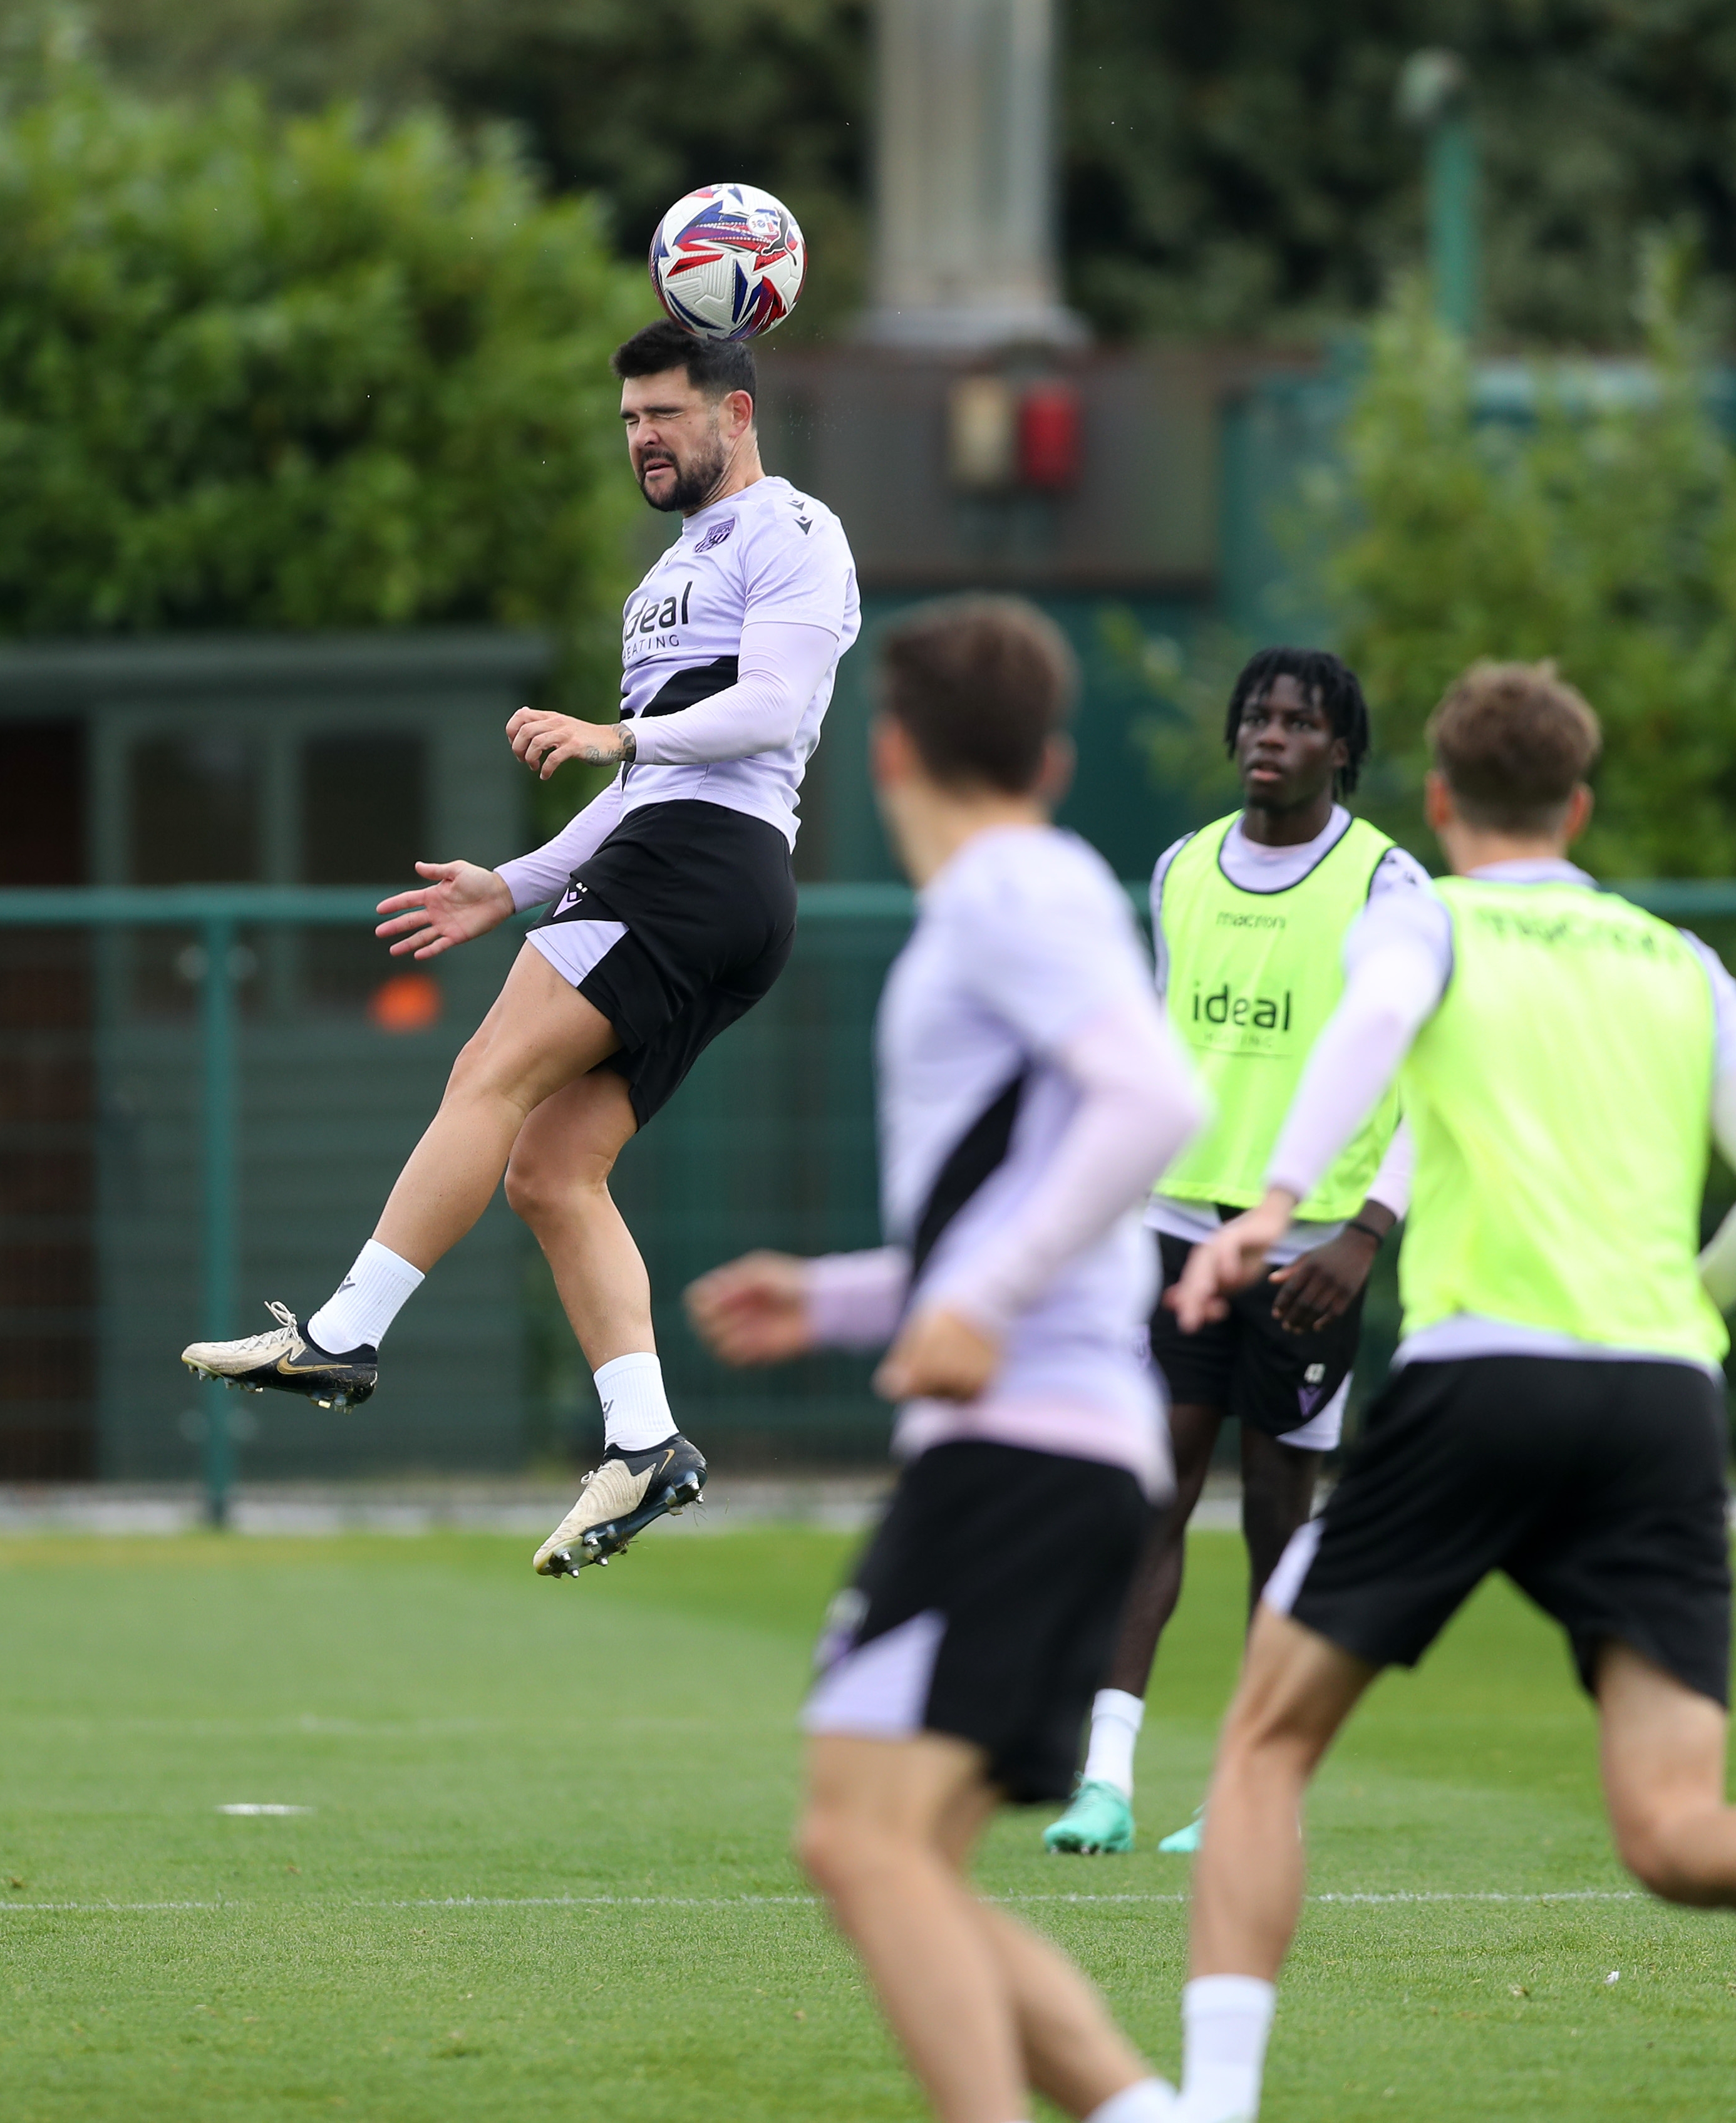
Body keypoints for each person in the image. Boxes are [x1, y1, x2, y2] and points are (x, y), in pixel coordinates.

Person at [1161, 662, 1736, 2119]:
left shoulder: (1422, 916)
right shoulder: (1675, 958)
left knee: (1262, 1746)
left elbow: (1373, 1025)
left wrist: (1266, 1206)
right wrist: (1690, 1304)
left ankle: (1212, 2102)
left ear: (1438, 801)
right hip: (1659, 1399)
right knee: (1667, 1822)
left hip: (1483, 1378)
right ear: (1576, 806)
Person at [184, 318, 861, 1578]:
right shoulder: (667, 572)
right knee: (551, 1170)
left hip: (700, 868)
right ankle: (647, 1442)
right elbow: (643, 776)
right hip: (684, 868)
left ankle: (343, 1333)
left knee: (486, 1076)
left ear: (737, 414)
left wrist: (616, 738)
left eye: (664, 413)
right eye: (628, 421)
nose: (642, 439)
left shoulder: (795, 530)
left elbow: (766, 710)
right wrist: (513, 883)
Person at [688, 597, 1205, 2123]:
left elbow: (1151, 1103)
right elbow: (1038, 1168)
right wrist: (852, 1300)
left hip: (1029, 1450)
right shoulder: (1019, 890)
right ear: (1051, 760)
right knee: (885, 1857)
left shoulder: (1007, 895)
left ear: (888, 746)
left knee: (863, 1845)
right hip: (1041, 1447)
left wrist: (976, 1297)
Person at [1048, 649, 1427, 1860]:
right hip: (1175, 1231)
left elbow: (1432, 1081)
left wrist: (1369, 1236)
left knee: (1278, 1521)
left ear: (1342, 749)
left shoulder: (1388, 884)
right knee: (1146, 1498)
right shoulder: (1179, 870)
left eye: (1300, 721)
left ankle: (1254, 1791)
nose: (1272, 735)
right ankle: (1104, 1781)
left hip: (1316, 1250)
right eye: (1258, 716)